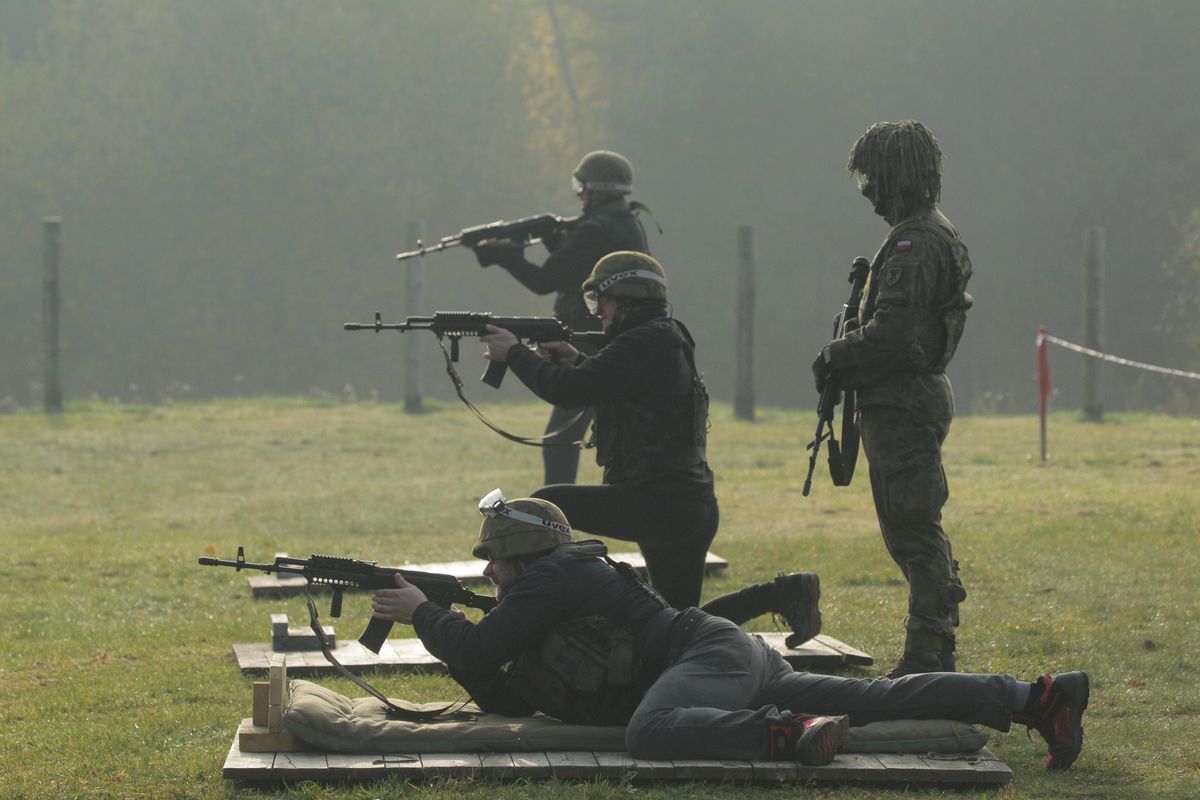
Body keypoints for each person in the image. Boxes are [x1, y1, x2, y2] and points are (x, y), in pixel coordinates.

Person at [370, 492, 1089, 769]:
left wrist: (422, 612)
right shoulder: (556, 579)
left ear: (521, 556)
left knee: (649, 735)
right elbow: (504, 695)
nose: (490, 576)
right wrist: (438, 617)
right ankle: (1035, 695)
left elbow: (478, 645)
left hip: (708, 659)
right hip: (723, 660)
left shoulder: (553, 576)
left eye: (494, 563)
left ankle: (785, 734)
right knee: (876, 699)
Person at [480, 251, 819, 645]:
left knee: (541, 511)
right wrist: (574, 360)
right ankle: (785, 593)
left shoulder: (642, 343)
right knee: (677, 630)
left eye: (600, 303)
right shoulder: (661, 336)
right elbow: (607, 382)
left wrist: (515, 354)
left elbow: (567, 392)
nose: (598, 314)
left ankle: (530, 615)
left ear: (624, 300)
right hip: (684, 506)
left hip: (661, 503)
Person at [812, 120, 974, 678]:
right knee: (910, 524)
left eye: (875, 181)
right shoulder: (925, 233)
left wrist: (836, 354)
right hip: (905, 399)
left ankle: (928, 652)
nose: (870, 195)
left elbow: (894, 332)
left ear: (897, 178)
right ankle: (932, 645)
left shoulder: (913, 242)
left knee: (912, 527)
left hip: (904, 400)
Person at [469, 150, 651, 487]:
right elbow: (577, 270)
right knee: (613, 433)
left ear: (597, 189)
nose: (579, 195)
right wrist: (552, 243)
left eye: (581, 187)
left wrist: (504, 256)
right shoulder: (623, 222)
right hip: (608, 341)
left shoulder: (594, 230)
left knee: (559, 442)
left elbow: (544, 281)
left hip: (592, 343)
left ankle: (559, 515)